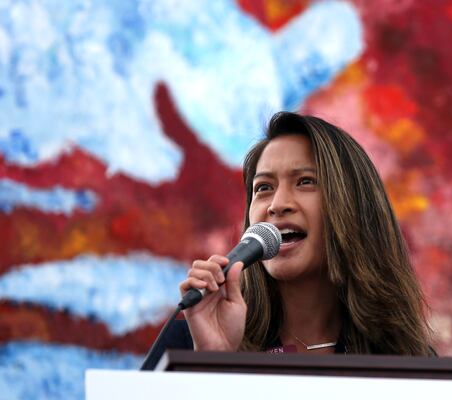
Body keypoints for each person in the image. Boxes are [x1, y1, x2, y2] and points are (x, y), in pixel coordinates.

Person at [173, 111, 433, 356]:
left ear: (353, 206)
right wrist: (214, 364)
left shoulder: (404, 358)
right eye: (263, 187)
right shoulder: (192, 344)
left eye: (305, 182)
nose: (277, 204)